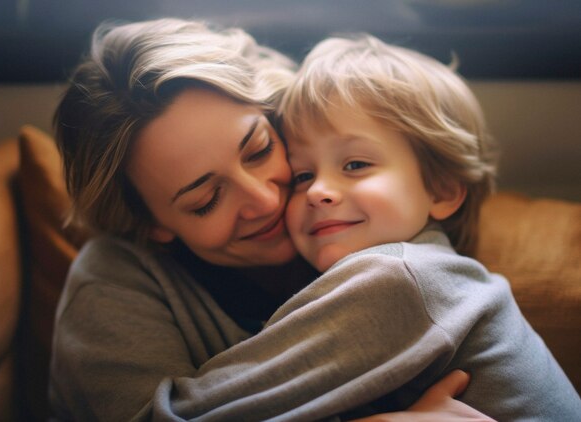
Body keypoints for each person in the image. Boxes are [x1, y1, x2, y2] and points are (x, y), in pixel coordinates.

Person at [49, 17, 496, 421]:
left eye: (259, 149)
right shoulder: (112, 284)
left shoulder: (375, 244)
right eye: (206, 199)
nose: (264, 200)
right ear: (150, 223)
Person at [273, 34, 581, 420]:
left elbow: (196, 411)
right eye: (302, 175)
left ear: (441, 189)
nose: (318, 191)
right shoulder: (438, 276)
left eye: (355, 165)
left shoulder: (396, 276)